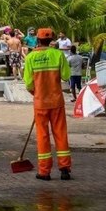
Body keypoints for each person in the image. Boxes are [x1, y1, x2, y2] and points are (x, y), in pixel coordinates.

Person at [23, 28, 72, 181]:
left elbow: (29, 84)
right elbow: (65, 76)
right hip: (56, 101)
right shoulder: (58, 55)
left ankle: (44, 171)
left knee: (42, 136)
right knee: (60, 134)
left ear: (37, 39)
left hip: (40, 103)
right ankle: (64, 169)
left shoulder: (30, 57)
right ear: (51, 40)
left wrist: (37, 95)